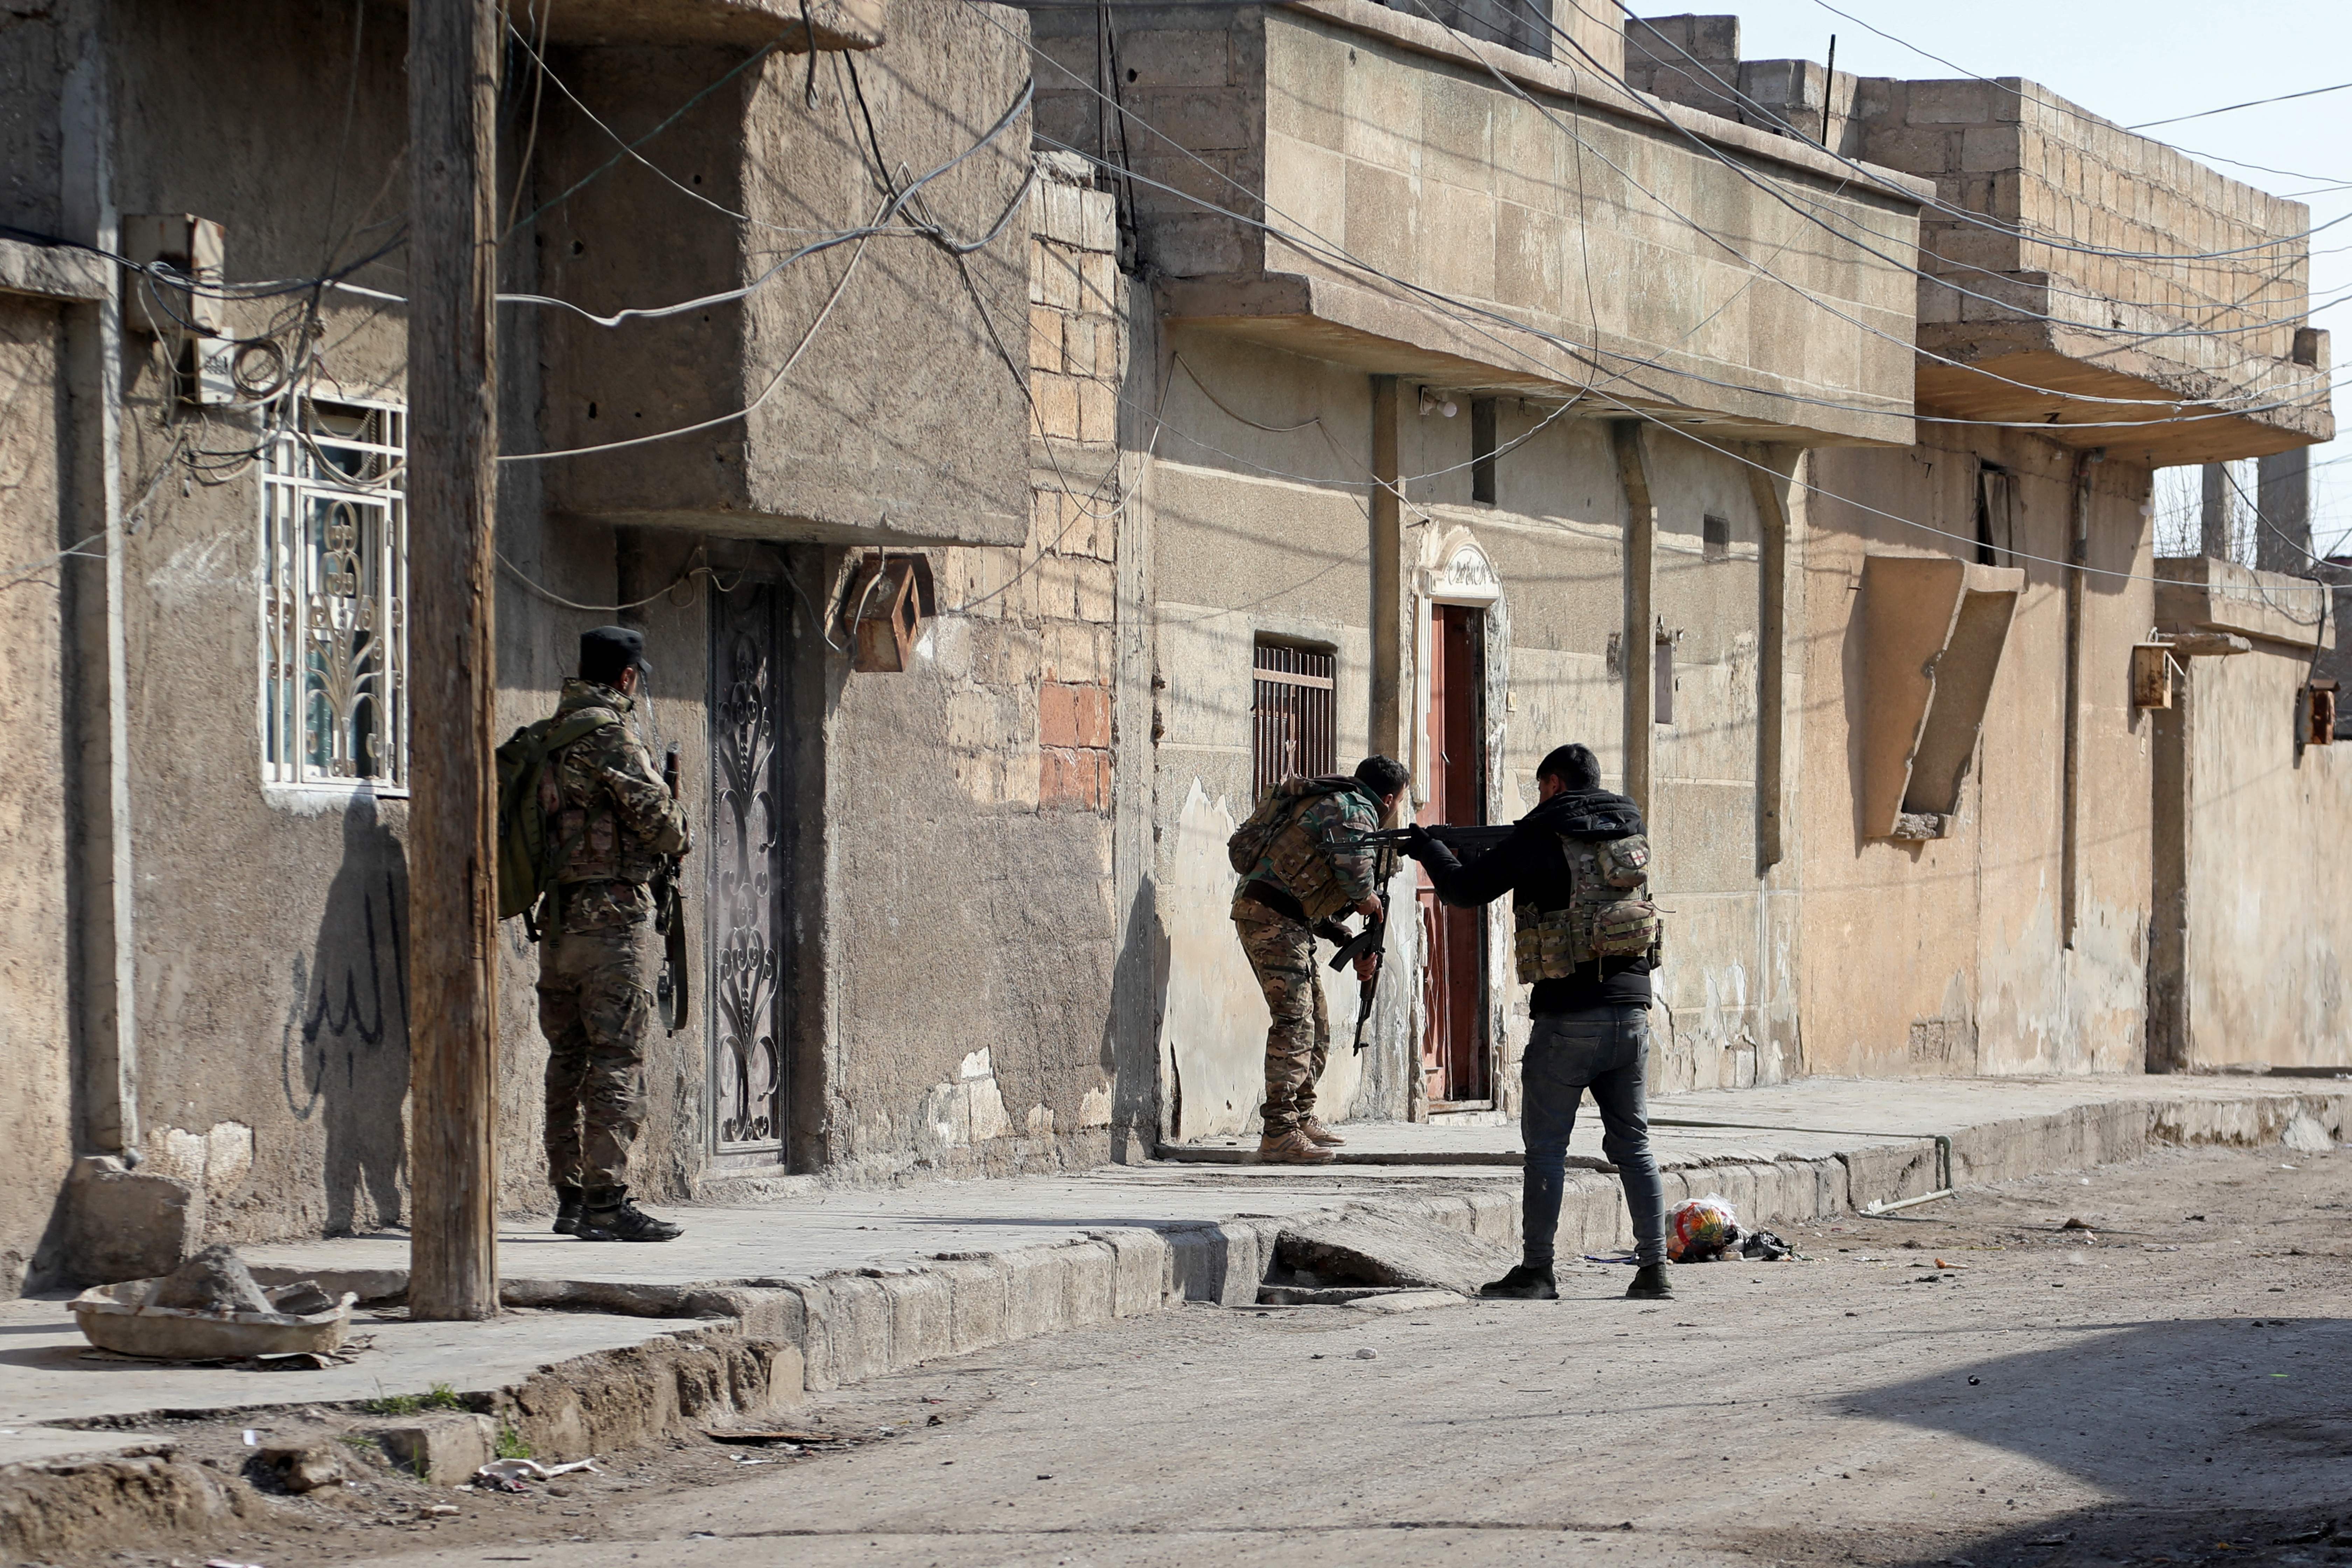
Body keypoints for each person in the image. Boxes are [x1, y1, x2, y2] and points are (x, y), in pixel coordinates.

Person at [1402, 742, 1670, 1300]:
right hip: (1632, 1013)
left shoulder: (1541, 834)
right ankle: (1654, 1269)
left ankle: (1539, 1271)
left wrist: (1430, 849)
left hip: (1569, 1018)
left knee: (1547, 1148)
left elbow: (1464, 890)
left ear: (1553, 784)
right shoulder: (1627, 833)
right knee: (1635, 1147)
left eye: (1540, 787)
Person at [537, 626, 693, 1243]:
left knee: (566, 1058)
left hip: (557, 923)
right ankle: (607, 1201)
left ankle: (571, 1198)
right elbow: (663, 825)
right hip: (610, 926)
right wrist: (678, 821)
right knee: (616, 1059)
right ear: (626, 678)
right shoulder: (610, 735)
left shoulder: (550, 737)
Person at [1230, 755, 1410, 1164]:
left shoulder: (1335, 803)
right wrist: (1368, 899)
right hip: (1270, 918)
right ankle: (1280, 1132)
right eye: (1399, 802)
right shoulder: (1354, 809)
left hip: (1286, 919)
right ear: (1388, 799)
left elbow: (1313, 886)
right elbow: (1353, 874)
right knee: (1295, 1021)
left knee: (1318, 1022)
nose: (1395, 811)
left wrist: (1349, 935)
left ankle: (1301, 1115)